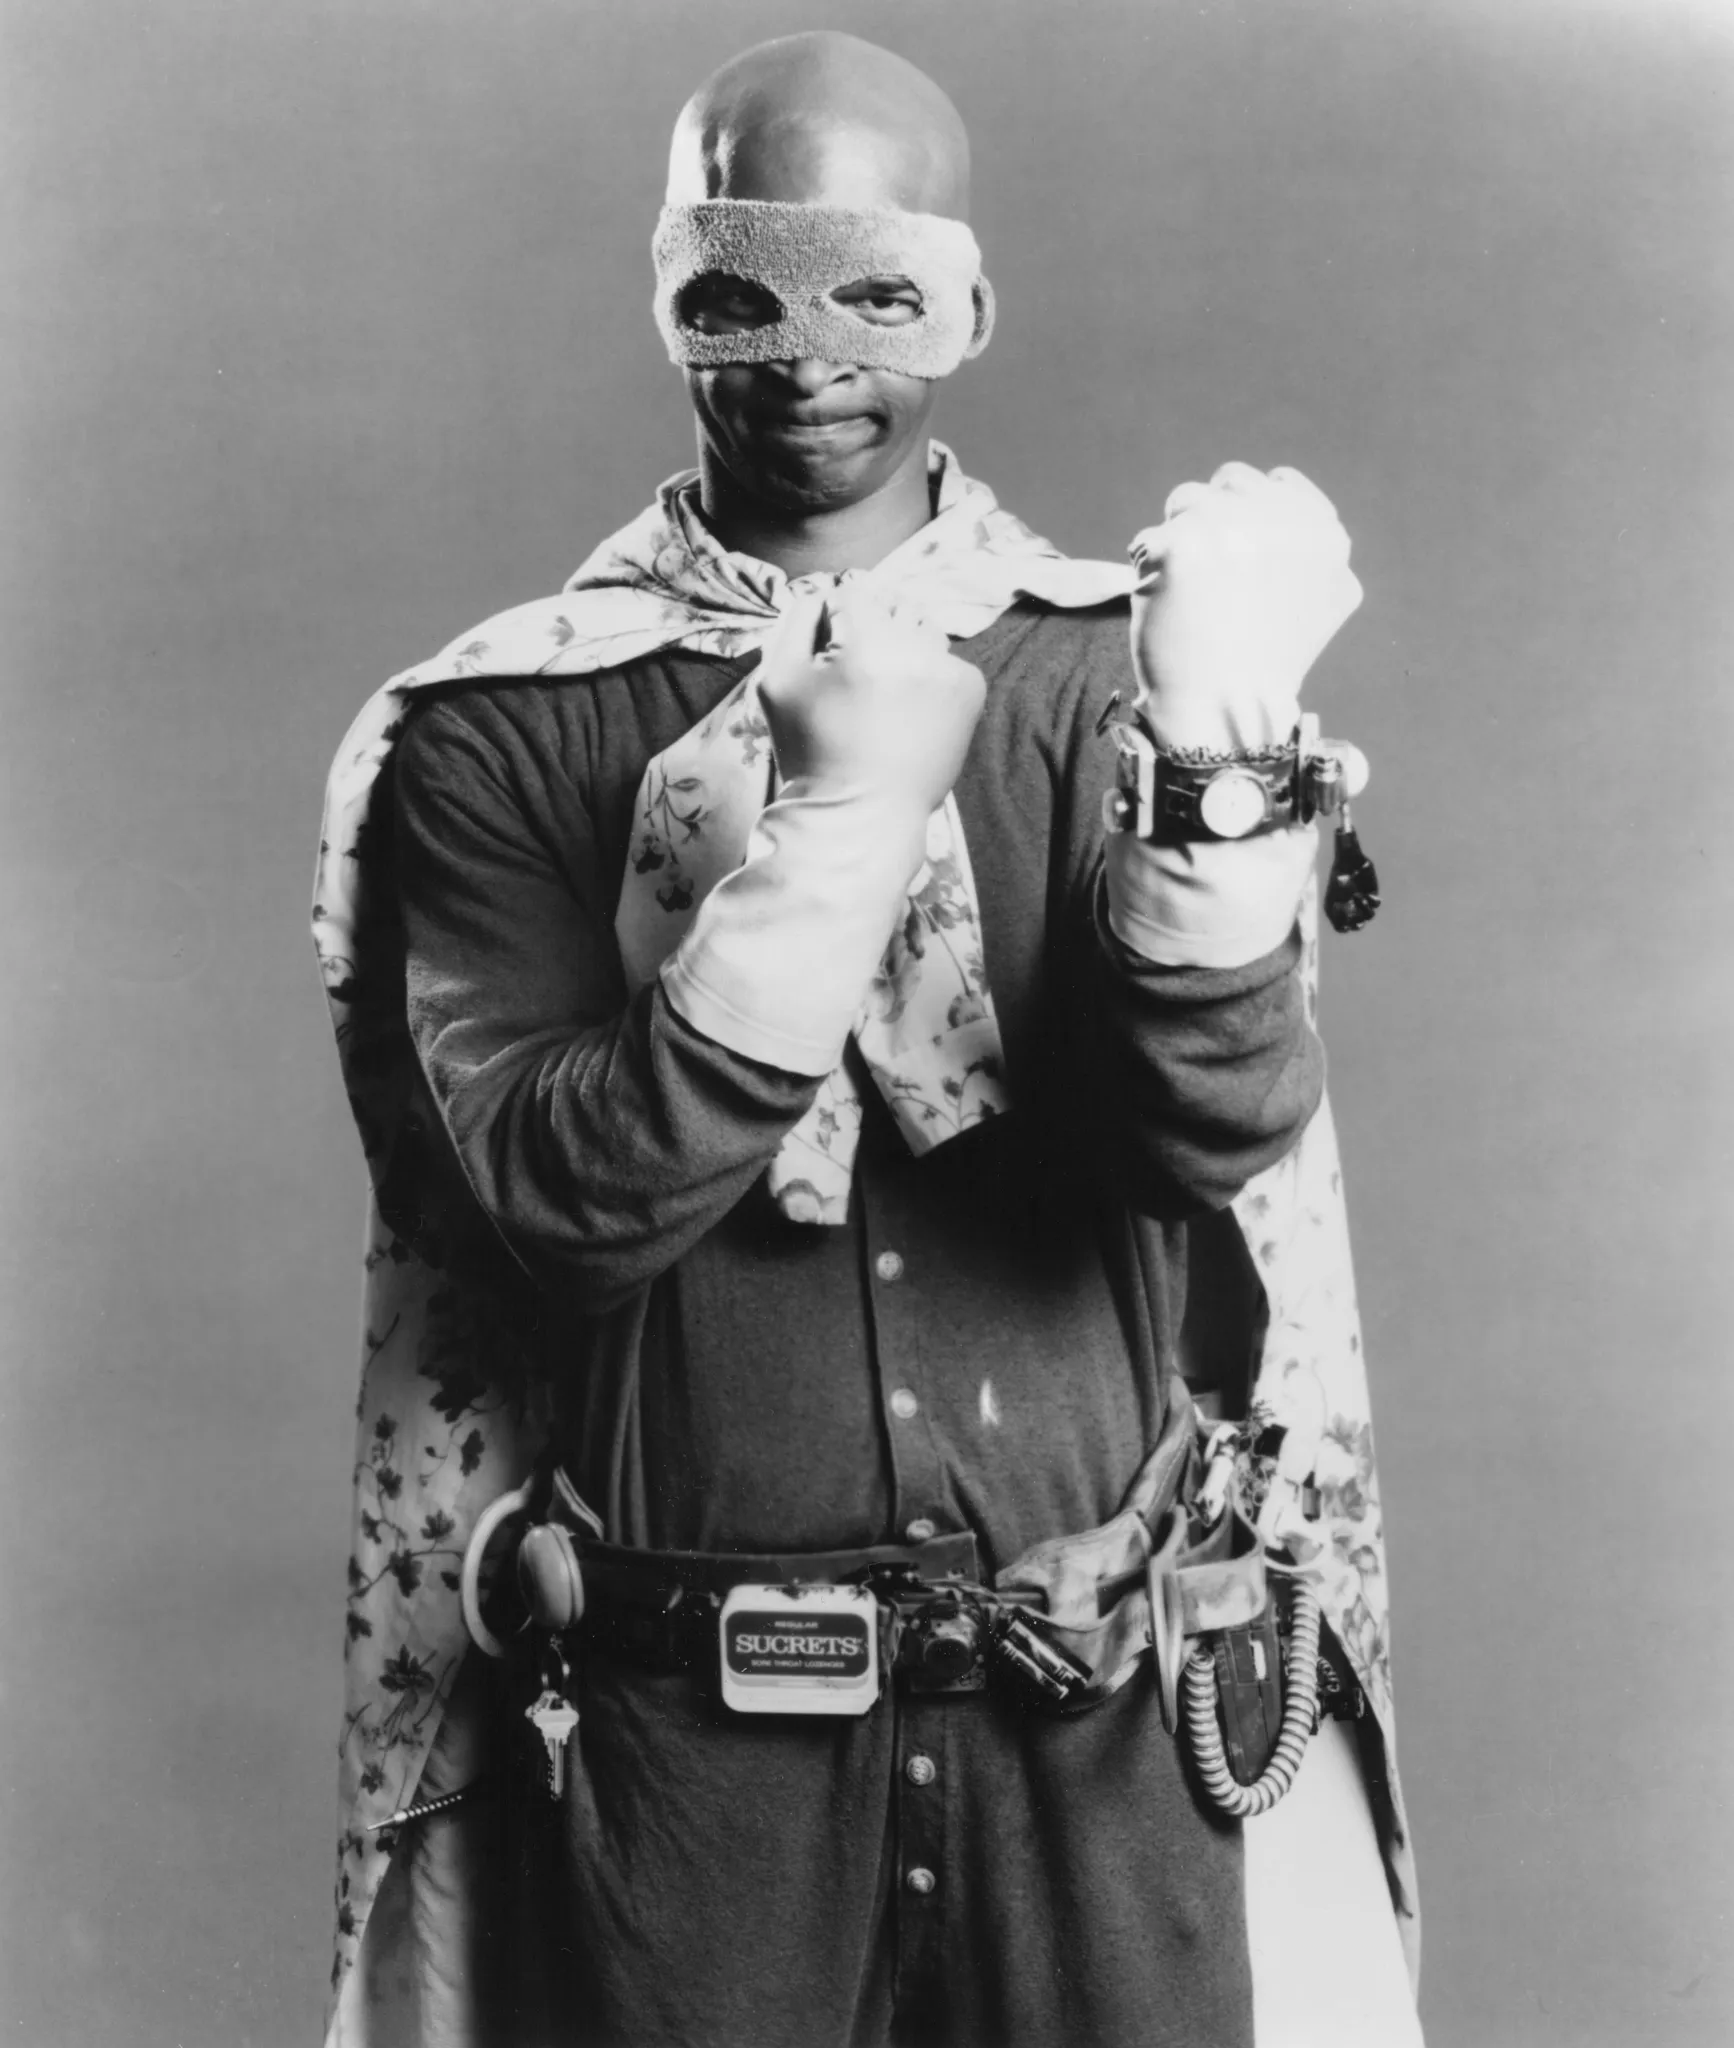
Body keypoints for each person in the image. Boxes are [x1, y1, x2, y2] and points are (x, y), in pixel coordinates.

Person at [313, 29, 1420, 2048]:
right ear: (664, 295)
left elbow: (1201, 1131)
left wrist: (1214, 755)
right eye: (740, 291)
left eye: (875, 293)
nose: (806, 357)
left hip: (1100, 1743)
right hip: (691, 1771)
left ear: (970, 309)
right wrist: (835, 831)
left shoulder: (1111, 678)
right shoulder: (502, 728)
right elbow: (566, 1204)